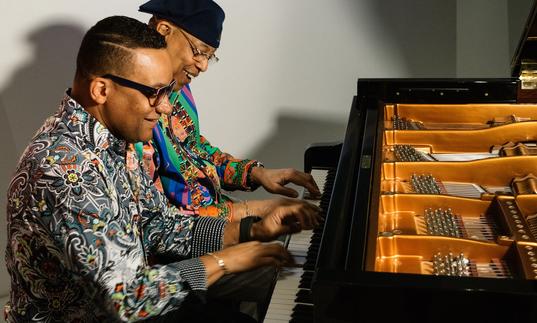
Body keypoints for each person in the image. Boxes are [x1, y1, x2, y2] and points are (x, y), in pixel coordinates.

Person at [4, 15, 320, 322]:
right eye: (156, 93)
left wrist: (251, 229)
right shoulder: (64, 172)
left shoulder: (117, 140)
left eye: (168, 92)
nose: (167, 106)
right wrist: (222, 262)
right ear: (101, 90)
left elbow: (159, 225)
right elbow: (127, 299)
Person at [130, 0, 322, 222]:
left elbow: (196, 152)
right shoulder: (133, 105)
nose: (203, 66)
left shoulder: (178, 88)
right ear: (164, 30)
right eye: (199, 52)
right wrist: (250, 212)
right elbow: (157, 222)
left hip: (213, 214)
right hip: (188, 236)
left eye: (209, 57)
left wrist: (256, 173)